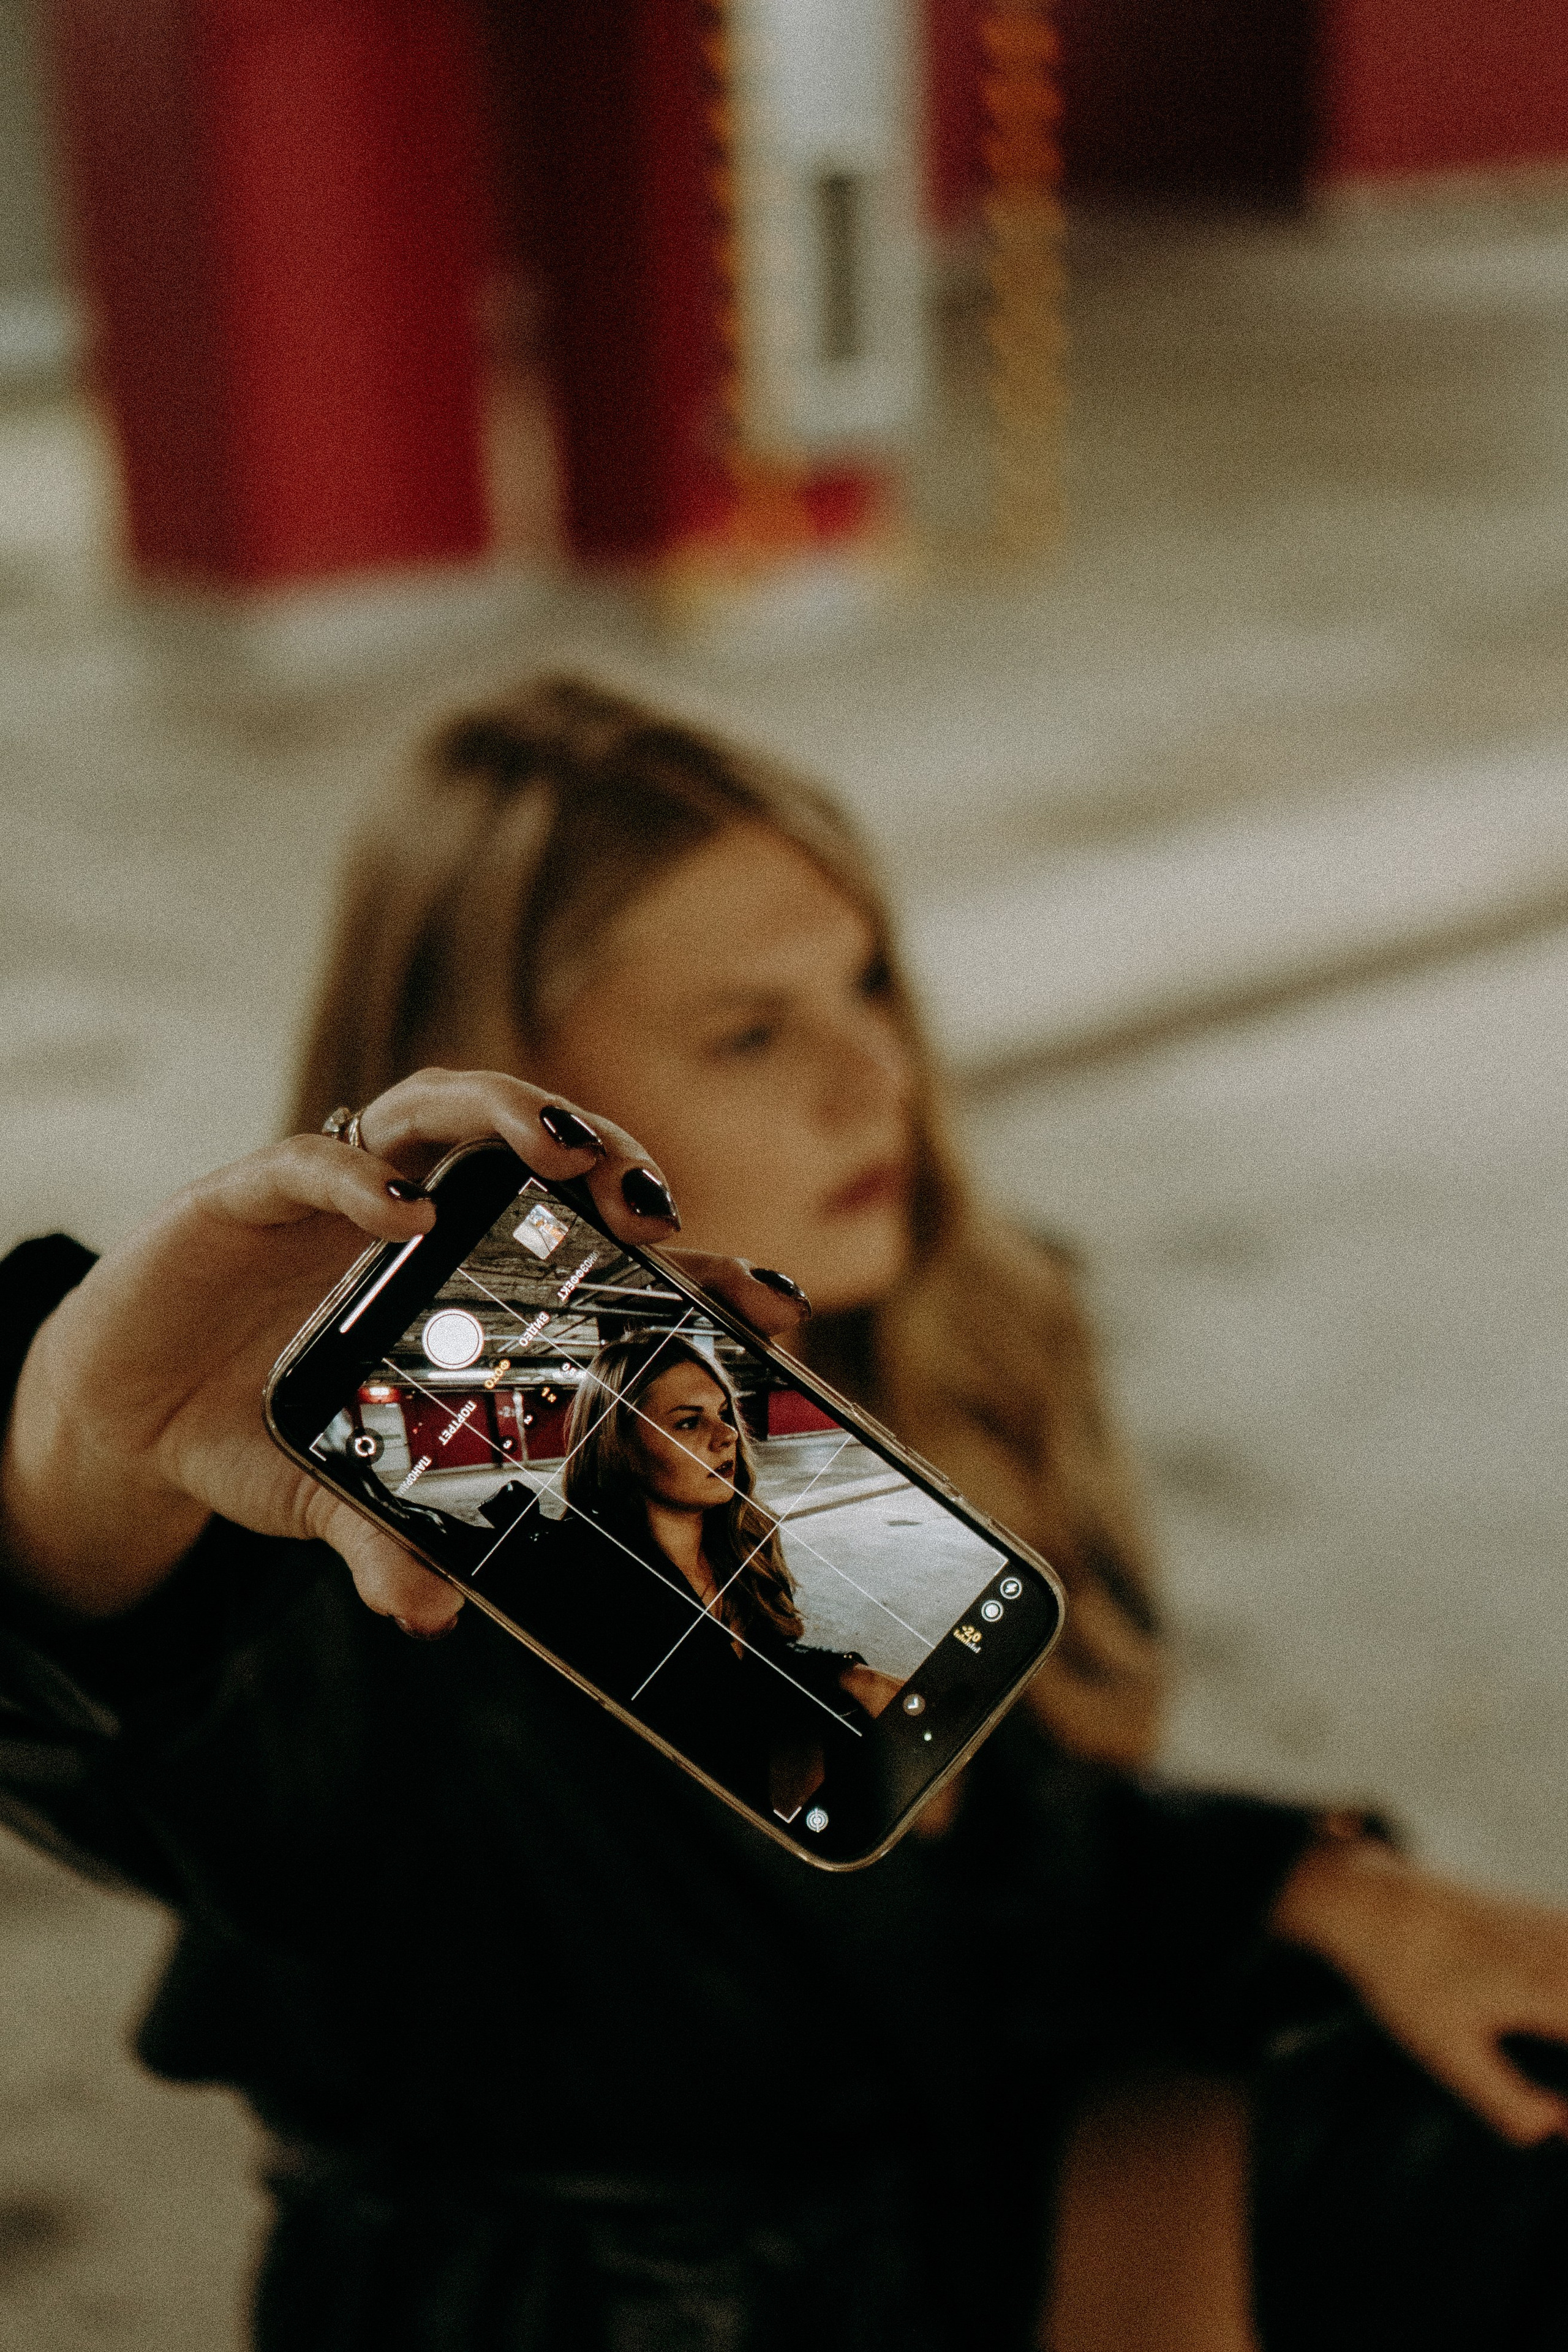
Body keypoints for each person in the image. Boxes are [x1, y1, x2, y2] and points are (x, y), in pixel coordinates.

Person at [2, 678, 1567, 2350]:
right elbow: (129, 1703)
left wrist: (1310, 1886)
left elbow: (982, 1840)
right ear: (517, 1104)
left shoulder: (972, 1328)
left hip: (985, 2184)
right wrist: (77, 1455)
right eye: (752, 1032)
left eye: (868, 982)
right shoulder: (353, 1549)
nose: (872, 1075)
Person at [483, 1329, 897, 1816]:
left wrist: (847, 1673)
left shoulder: (742, 1541)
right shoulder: (578, 1573)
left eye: (724, 1414)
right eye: (687, 1423)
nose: (727, 1437)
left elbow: (751, 1663)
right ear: (621, 1445)